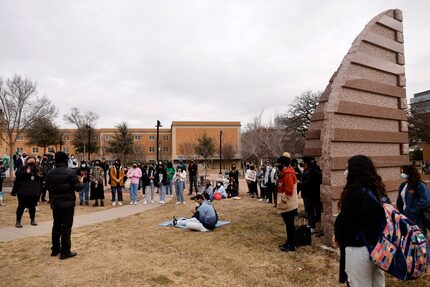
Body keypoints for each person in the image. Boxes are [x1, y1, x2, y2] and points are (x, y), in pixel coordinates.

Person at [333, 155, 386, 287]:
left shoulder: (355, 193)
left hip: (358, 249)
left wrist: (338, 236)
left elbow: (345, 222)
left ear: (354, 171)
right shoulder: (377, 190)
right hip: (378, 248)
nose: (345, 172)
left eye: (347, 168)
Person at [46, 152, 83, 259]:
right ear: (66, 160)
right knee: (66, 227)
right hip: (67, 204)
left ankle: (55, 249)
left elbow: (47, 187)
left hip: (56, 203)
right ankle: (65, 251)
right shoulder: (71, 173)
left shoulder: (50, 173)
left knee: (56, 225)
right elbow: (78, 187)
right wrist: (80, 182)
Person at [397, 164, 430, 235]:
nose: (401, 173)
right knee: (409, 238)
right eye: (401, 171)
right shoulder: (403, 185)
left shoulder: (419, 185)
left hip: (417, 218)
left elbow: (425, 202)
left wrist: (412, 211)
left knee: (420, 238)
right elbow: (400, 201)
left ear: (409, 172)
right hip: (405, 217)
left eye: (403, 171)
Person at [276, 155, 298, 252]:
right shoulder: (284, 173)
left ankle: (291, 244)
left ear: (283, 164)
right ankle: (289, 242)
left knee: (290, 225)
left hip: (288, 204)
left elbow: (289, 191)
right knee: (289, 225)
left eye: (279, 164)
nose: (277, 166)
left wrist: (282, 201)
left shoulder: (288, 174)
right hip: (286, 204)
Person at [14, 156, 41, 227]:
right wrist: (26, 172)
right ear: (27, 161)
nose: (31, 163)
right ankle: (18, 221)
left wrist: (39, 175)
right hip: (23, 191)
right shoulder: (22, 168)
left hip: (33, 191)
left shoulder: (37, 169)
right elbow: (17, 175)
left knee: (32, 207)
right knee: (21, 206)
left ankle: (33, 220)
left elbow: (40, 178)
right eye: (30, 161)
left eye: (33, 162)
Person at [301, 156, 322, 233]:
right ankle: (310, 224)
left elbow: (309, 182)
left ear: (306, 162)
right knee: (309, 211)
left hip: (309, 193)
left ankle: (312, 226)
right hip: (309, 193)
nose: (302, 163)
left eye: (303, 161)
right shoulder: (309, 169)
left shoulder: (310, 170)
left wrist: (301, 182)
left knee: (310, 211)